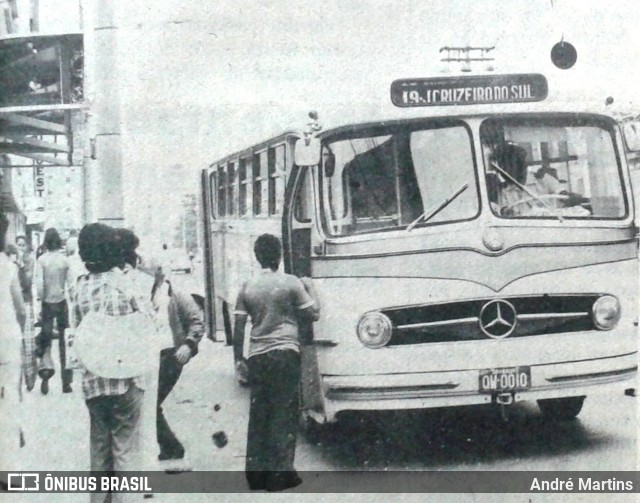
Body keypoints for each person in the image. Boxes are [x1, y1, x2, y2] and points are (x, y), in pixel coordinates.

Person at [233, 233, 320, 492]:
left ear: (257, 256)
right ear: (280, 255)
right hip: (285, 354)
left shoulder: (248, 286)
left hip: (258, 356)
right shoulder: (291, 283)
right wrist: (310, 286)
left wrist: (239, 358)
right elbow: (313, 313)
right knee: (284, 412)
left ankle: (256, 476)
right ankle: (280, 475)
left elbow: (239, 325)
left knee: (260, 412)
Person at [73, 223, 147, 496]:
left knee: (99, 452)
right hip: (127, 379)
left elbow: (76, 335)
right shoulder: (125, 282)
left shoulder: (79, 288)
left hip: (94, 381)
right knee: (125, 451)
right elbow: (147, 323)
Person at [0, 212, 27, 475]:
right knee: (8, 402)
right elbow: (20, 309)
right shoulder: (6, 265)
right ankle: (8, 471)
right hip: (6, 340)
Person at [35, 227, 73, 394]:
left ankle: (45, 374)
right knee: (65, 341)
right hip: (62, 301)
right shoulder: (65, 261)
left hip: (47, 303)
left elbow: (39, 286)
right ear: (59, 242)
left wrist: (42, 302)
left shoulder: (42, 261)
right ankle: (66, 382)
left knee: (46, 340)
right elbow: (70, 284)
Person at [16, 235, 37, 392]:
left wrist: (21, 266)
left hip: (26, 302)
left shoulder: (29, 262)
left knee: (28, 343)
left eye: (23, 245)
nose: (20, 247)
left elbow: (28, 283)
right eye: (18, 244)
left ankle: (30, 378)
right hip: (13, 305)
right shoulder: (9, 263)